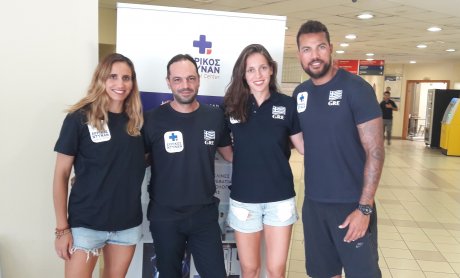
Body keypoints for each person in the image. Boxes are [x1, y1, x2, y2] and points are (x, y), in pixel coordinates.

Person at [293, 20, 385, 278]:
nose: (314, 55)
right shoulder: (300, 94)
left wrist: (364, 208)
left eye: (320, 47)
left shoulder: (356, 89)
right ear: (299, 54)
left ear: (331, 48)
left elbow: (376, 152)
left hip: (351, 206)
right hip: (314, 205)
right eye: (307, 49)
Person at [52, 53, 146, 277]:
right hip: (85, 225)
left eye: (127, 77)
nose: (120, 84)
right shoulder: (79, 119)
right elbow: (61, 175)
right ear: (100, 79)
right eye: (112, 76)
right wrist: (61, 229)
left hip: (127, 225)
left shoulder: (138, 123)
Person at [142, 54, 233, 277]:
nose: (185, 86)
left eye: (191, 79)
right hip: (165, 216)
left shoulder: (214, 116)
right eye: (178, 80)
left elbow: (231, 156)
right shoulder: (152, 119)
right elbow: (134, 161)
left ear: (199, 80)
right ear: (168, 81)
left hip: (204, 215)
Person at [223, 44, 304, 278]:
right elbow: (222, 146)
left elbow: (303, 147)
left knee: (276, 269)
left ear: (271, 70)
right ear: (243, 74)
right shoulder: (231, 106)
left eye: (262, 68)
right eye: (250, 70)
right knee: (250, 269)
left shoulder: (287, 105)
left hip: (280, 199)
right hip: (244, 200)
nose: (257, 75)